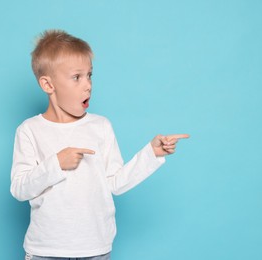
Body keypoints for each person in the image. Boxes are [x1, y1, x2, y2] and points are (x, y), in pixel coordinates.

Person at [10, 29, 189, 260]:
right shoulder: (30, 130)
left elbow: (115, 182)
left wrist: (152, 153)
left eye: (90, 75)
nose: (88, 85)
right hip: (46, 251)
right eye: (77, 77)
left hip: (95, 249)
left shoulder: (101, 126)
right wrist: (56, 163)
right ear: (48, 84)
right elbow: (19, 188)